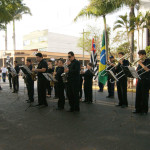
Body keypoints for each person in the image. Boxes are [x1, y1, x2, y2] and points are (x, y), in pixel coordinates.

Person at [133, 50, 150, 115]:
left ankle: (144, 110)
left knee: (144, 95)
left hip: (146, 80)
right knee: (138, 95)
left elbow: (147, 70)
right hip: (140, 79)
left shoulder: (148, 61)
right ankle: (138, 109)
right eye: (139, 55)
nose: (140, 56)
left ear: (144, 55)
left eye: (141, 55)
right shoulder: (140, 62)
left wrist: (141, 64)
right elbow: (139, 71)